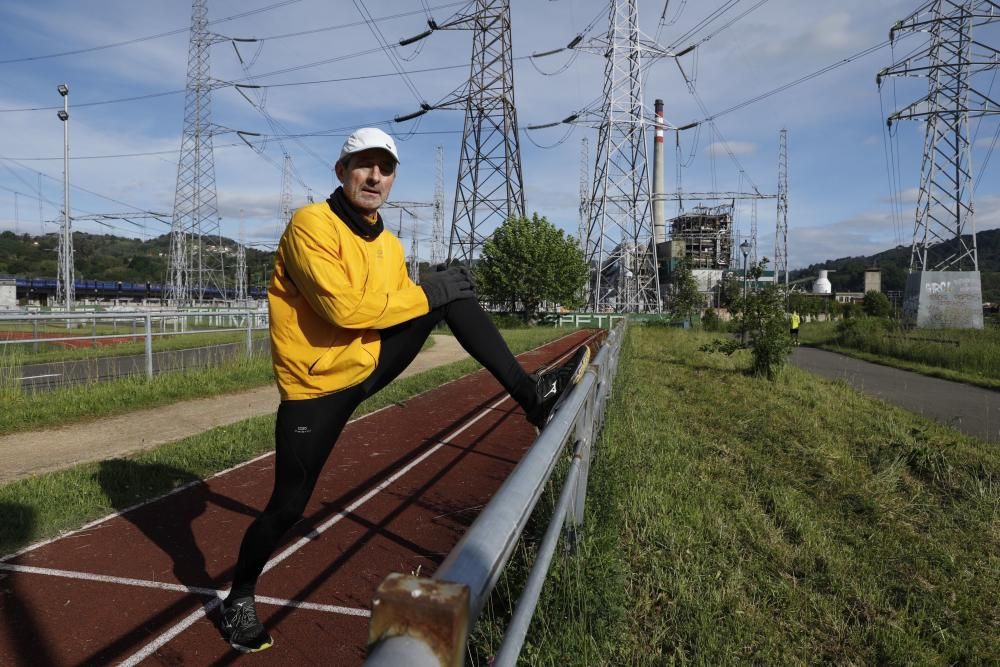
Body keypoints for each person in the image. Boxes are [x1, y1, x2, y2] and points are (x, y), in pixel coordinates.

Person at [220, 127, 589, 653]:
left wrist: (436, 289)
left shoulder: (390, 244)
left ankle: (534, 398)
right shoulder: (310, 225)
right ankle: (238, 598)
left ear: (392, 179)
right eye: (363, 165)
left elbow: (403, 304)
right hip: (317, 387)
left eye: (385, 168)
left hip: (368, 362)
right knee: (287, 507)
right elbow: (344, 310)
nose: (374, 176)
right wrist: (427, 292)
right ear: (342, 171)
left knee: (447, 292)